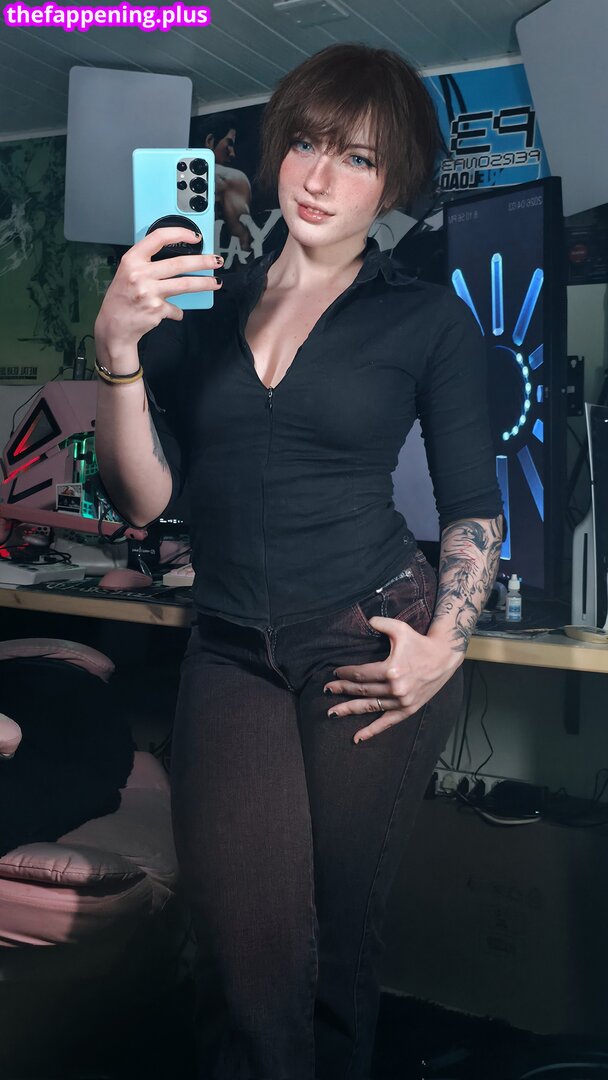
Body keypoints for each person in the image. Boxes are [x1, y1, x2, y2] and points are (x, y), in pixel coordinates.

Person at [94, 43, 503, 1080]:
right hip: (230, 646)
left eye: (356, 159)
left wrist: (444, 646)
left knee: (335, 956)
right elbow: (144, 498)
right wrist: (117, 352)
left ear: (392, 183)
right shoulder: (203, 305)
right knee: (246, 960)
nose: (319, 178)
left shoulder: (426, 317)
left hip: (371, 634)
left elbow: (472, 508)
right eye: (308, 145)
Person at [202, 111, 253, 252]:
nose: (232, 153)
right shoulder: (231, 177)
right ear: (210, 141)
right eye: (229, 144)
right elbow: (243, 245)